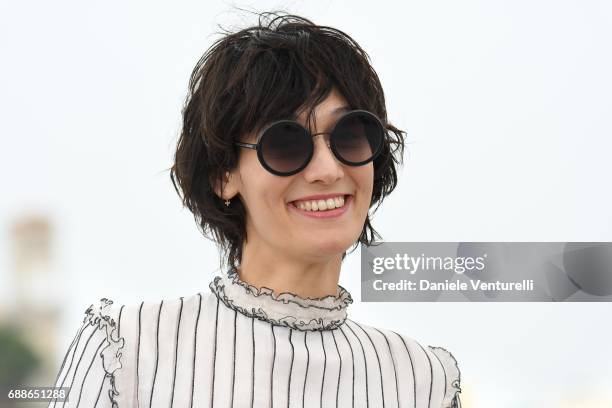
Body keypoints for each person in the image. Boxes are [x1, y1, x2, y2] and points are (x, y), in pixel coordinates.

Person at [48, 12, 462, 408]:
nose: (327, 170)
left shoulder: (424, 380)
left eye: (349, 136)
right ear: (223, 174)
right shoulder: (127, 352)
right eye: (286, 143)